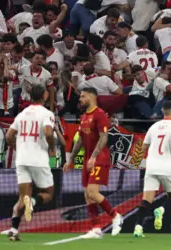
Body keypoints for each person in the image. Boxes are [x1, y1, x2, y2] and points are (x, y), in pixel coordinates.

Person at [63, 88, 123, 238]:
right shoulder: (83, 117)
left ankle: (115, 216)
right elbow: (80, 141)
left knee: (92, 192)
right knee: (87, 195)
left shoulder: (100, 114)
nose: (80, 99)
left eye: (83, 96)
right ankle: (96, 228)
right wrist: (70, 159)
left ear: (92, 97)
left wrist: (94, 156)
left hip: (99, 158)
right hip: (87, 160)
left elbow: (104, 137)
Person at [4, 85, 56, 241]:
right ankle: (32, 202)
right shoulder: (47, 113)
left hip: (21, 160)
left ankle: (13, 230)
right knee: (48, 193)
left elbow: (8, 136)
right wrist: (52, 148)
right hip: (38, 159)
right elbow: (48, 133)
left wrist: (17, 146)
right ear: (44, 96)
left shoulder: (21, 114)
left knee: (22, 198)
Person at [134, 101, 171, 237]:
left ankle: (138, 227)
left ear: (162, 111)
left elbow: (143, 147)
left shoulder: (153, 126)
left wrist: (135, 163)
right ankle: (161, 209)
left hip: (151, 166)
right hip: (167, 166)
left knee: (146, 200)